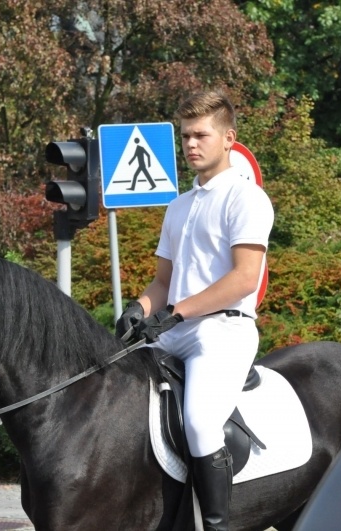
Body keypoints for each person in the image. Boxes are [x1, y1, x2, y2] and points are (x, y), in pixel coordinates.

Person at [116, 90, 274, 531]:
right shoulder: (179, 205)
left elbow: (244, 279)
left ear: (228, 138)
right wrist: (138, 308)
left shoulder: (246, 199)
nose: (191, 144)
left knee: (202, 425)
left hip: (223, 333)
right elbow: (163, 282)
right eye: (186, 136)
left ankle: (217, 527)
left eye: (201, 135)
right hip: (173, 329)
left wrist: (177, 311)